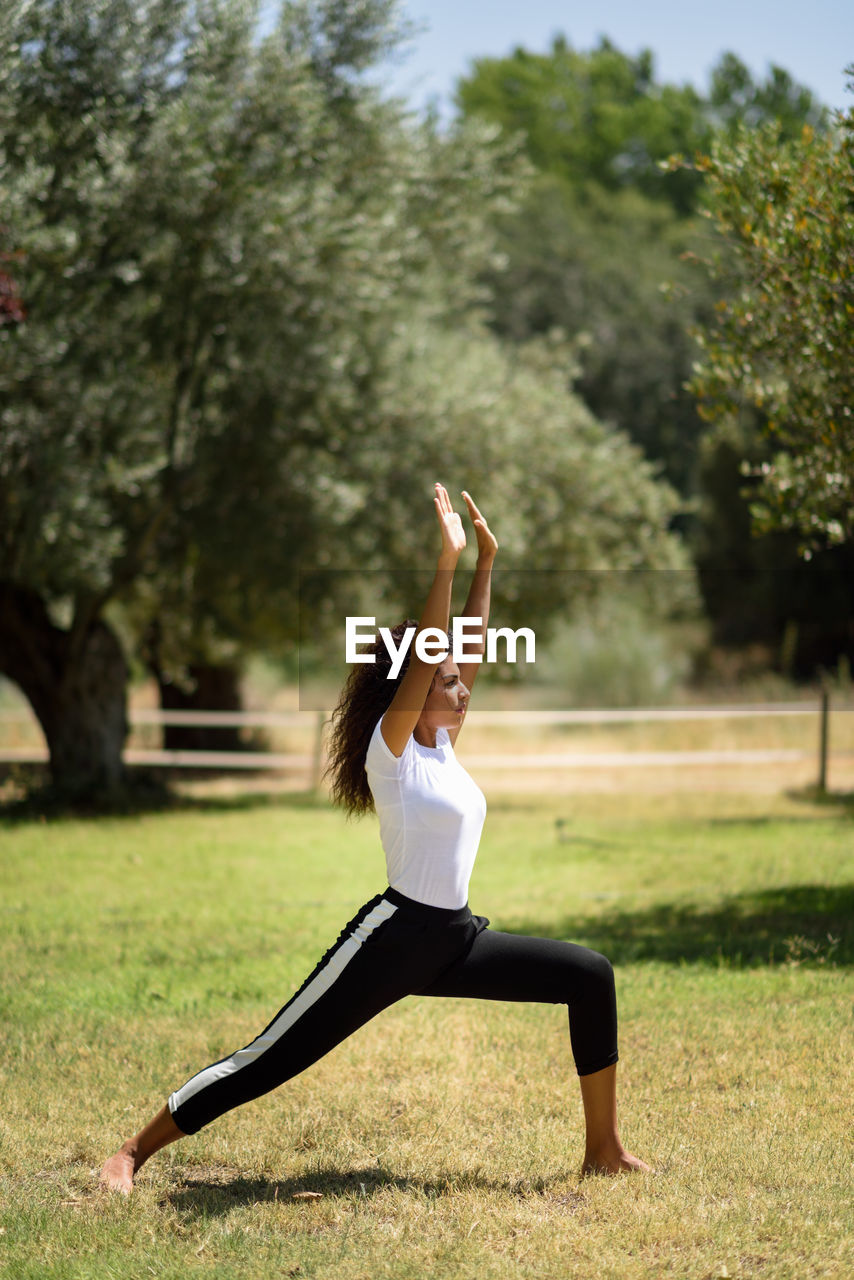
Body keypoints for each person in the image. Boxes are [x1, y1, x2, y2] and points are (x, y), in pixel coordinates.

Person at [100, 484, 649, 1193]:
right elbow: (433, 652)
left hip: (456, 940)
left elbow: (467, 644)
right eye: (448, 682)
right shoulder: (392, 755)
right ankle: (132, 1152)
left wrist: (488, 564)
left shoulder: (443, 748)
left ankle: (602, 1148)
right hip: (389, 941)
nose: (463, 689)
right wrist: (444, 566)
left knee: (589, 974)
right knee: (269, 1058)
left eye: (459, 681)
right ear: (414, 689)